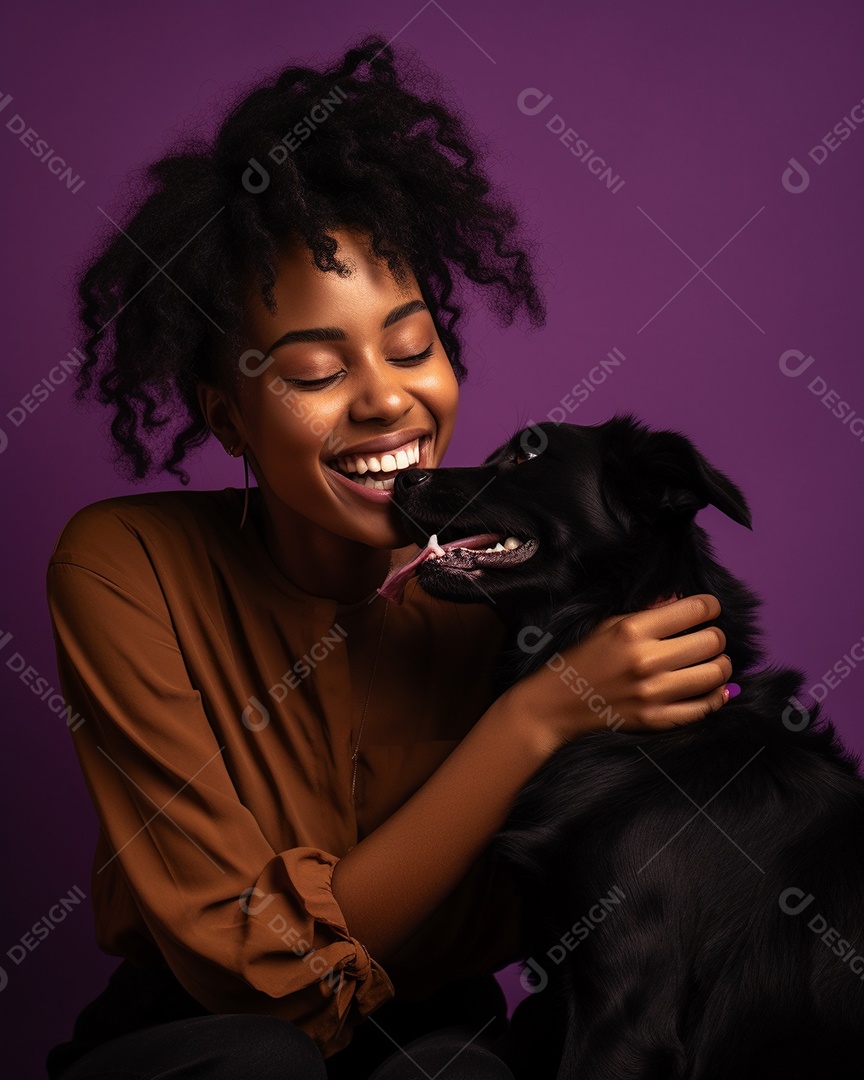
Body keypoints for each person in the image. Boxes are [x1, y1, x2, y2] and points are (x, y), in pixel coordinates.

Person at [44, 33, 734, 1080]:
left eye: (413, 348)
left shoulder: (518, 591)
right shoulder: (123, 568)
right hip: (197, 1041)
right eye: (317, 369)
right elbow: (253, 971)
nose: (384, 399)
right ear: (227, 418)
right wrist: (539, 713)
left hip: (433, 1038)